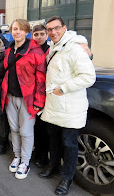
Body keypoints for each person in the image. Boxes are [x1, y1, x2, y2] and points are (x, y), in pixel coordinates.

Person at [40, 16, 96, 195]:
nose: (53, 32)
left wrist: (63, 88)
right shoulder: (53, 48)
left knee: (69, 144)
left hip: (70, 107)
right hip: (54, 106)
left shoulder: (75, 47)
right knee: (54, 140)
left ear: (65, 28)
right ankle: (54, 166)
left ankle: (67, 178)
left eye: (56, 28)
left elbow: (88, 77)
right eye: (49, 29)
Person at [0, 19, 46, 179]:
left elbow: (41, 79)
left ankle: (25, 162)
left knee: (26, 132)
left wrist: (39, 101)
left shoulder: (35, 51)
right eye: (14, 29)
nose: (17, 32)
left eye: (20, 29)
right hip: (10, 96)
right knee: (14, 130)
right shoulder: (8, 50)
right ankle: (17, 156)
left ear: (26, 32)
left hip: (28, 99)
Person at [31, 24, 50, 168]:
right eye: (36, 34)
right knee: (36, 127)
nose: (39, 37)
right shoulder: (31, 49)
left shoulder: (50, 50)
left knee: (45, 128)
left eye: (41, 34)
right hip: (34, 93)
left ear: (46, 35)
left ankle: (44, 157)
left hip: (48, 93)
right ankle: (37, 152)